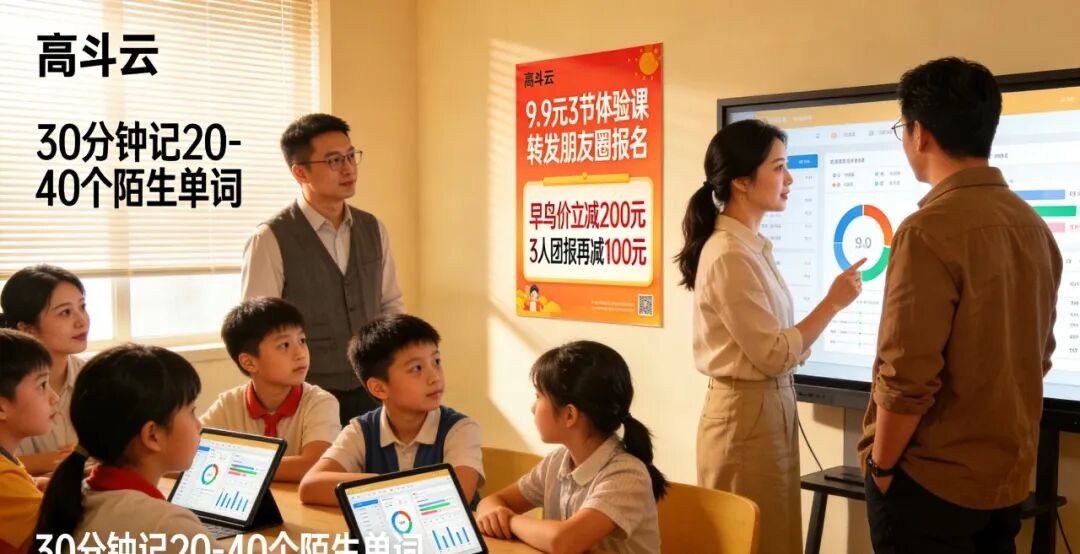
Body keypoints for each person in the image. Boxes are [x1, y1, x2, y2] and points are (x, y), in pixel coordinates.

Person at [857, 57, 1062, 552]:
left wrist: (881, 467)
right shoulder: (1033, 226)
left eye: (901, 129)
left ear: (920, 133)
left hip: (928, 484)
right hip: (1004, 485)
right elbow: (1040, 355)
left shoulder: (926, 231)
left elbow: (906, 375)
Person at [674, 118, 864, 554]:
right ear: (742, 182)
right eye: (778, 168)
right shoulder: (729, 254)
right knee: (753, 539)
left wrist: (797, 341)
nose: (790, 179)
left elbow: (779, 346)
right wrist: (833, 303)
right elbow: (775, 353)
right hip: (745, 413)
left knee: (775, 534)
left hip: (766, 406)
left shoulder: (750, 247)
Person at [241, 113, 405, 425]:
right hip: (305, 396)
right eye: (333, 161)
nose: (348, 168)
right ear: (300, 172)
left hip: (372, 388)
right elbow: (257, 329)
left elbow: (390, 304)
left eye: (350, 156)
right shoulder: (270, 238)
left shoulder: (373, 228)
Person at [476, 341, 667, 554]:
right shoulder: (557, 461)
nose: (533, 407)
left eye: (538, 397)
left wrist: (510, 520)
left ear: (569, 415)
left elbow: (564, 542)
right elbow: (492, 501)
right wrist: (494, 513)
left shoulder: (627, 475)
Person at [33, 344, 219, 551]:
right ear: (152, 435)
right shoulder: (168, 526)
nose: (198, 425)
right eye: (192, 411)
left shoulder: (75, 498)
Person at [298, 314, 484, 507]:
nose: (434, 377)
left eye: (436, 361)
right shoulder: (361, 430)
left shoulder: (461, 429)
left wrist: (374, 489)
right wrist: (386, 485)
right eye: (417, 368)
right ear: (379, 388)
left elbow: (454, 496)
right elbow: (310, 486)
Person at [200, 297, 341, 482]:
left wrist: (231, 466)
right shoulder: (228, 405)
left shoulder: (320, 402)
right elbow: (184, 457)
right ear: (249, 362)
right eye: (284, 345)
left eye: (302, 340)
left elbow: (313, 465)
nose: (300, 354)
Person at [0, 264, 89, 476]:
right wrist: (49, 461)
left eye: (82, 306)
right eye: (65, 312)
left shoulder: (95, 377)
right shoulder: (6, 382)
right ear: (26, 329)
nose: (82, 321)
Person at [0, 330, 57, 552]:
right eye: (42, 385)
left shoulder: (7, 464)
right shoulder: (4, 480)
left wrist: (34, 485)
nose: (54, 397)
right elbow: (59, 543)